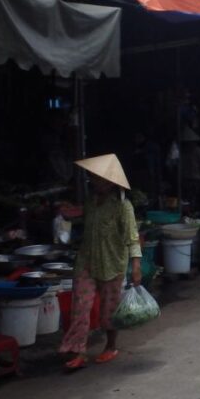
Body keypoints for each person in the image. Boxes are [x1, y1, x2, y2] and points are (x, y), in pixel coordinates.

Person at [61, 154, 142, 370]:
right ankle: (79, 351)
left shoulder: (123, 206)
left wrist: (136, 266)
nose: (94, 182)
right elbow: (82, 218)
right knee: (80, 306)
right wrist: (69, 213)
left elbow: (132, 237)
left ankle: (111, 346)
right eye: (93, 178)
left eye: (98, 178)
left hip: (112, 264)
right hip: (86, 261)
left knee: (109, 310)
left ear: (111, 181)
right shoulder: (91, 202)